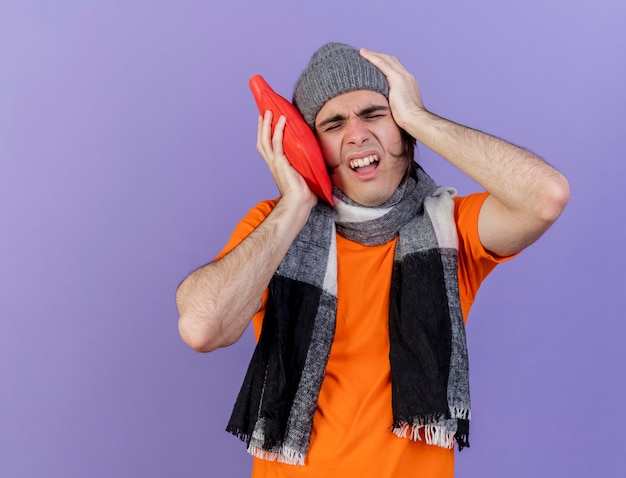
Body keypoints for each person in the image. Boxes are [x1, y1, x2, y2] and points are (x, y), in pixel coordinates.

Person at [176, 42, 569, 477]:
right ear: (311, 146)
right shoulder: (274, 228)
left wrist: (419, 118)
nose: (357, 134)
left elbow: (545, 197)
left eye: (374, 114)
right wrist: (294, 204)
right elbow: (202, 326)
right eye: (333, 123)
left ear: (400, 127)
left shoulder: (452, 227)